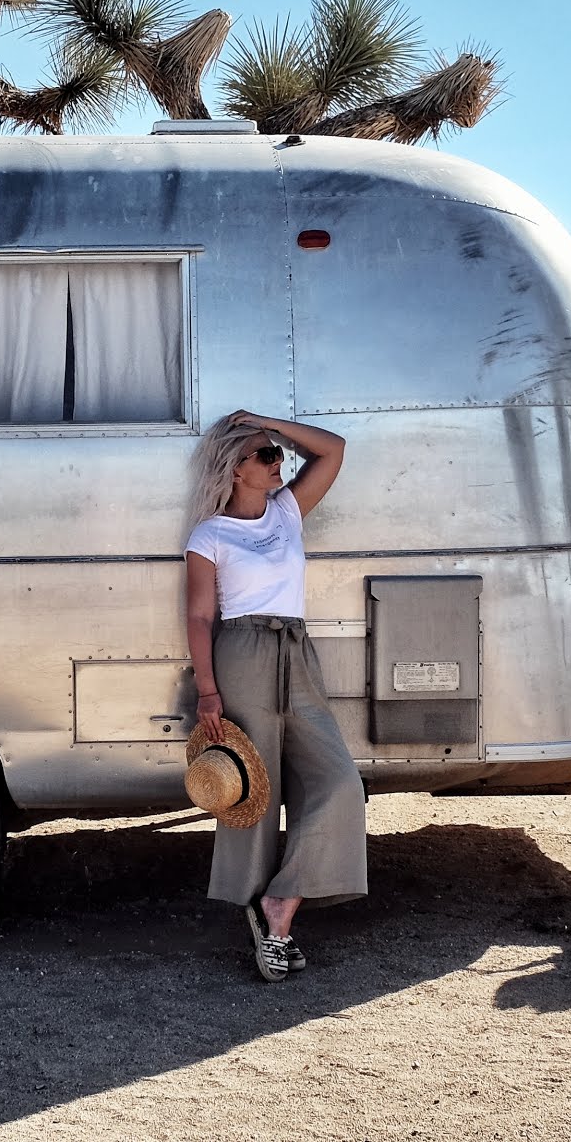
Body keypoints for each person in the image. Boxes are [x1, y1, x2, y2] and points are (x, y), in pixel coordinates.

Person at [184, 410, 366, 982]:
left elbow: (332, 450)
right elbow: (197, 614)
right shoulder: (209, 534)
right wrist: (208, 691)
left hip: (296, 648)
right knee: (253, 794)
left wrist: (270, 423)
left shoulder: (287, 509)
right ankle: (271, 925)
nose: (277, 460)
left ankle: (280, 900)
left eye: (276, 452)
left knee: (340, 782)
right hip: (241, 651)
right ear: (235, 469)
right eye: (263, 454)